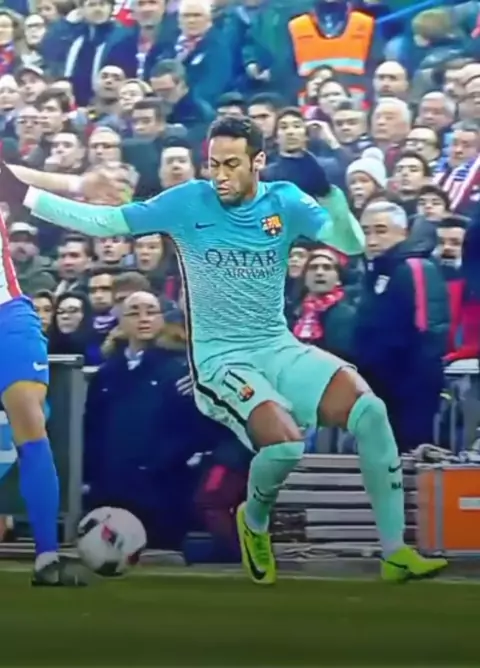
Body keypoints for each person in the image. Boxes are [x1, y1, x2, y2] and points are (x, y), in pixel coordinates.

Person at [0, 115, 447, 586]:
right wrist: (22, 194)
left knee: (371, 413)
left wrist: (331, 197)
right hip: (220, 358)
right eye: (214, 164)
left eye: (231, 164)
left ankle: (395, 554)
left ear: (258, 162)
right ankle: (253, 521)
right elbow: (106, 220)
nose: (220, 175)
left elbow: (350, 243)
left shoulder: (285, 201)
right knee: (286, 445)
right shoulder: (188, 201)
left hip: (276, 344)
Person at [0, 213, 85, 585]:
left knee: (30, 426)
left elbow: (26, 186)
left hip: (6, 317)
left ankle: (47, 556)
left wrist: (78, 187)